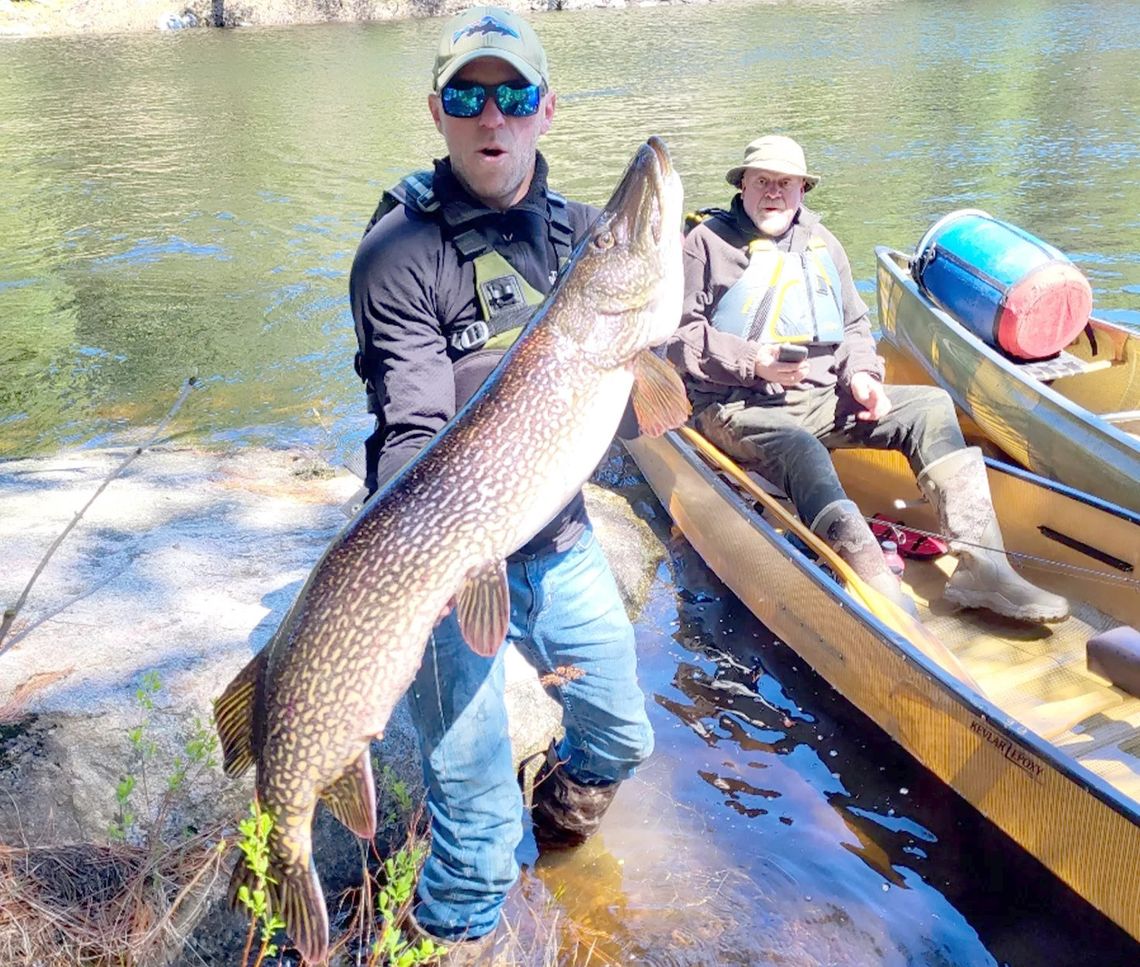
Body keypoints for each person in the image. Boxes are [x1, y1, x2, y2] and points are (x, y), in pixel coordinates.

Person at [348, 7, 653, 961]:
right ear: (437, 111)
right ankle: (450, 933)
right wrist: (421, 567)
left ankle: (559, 844)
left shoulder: (585, 237)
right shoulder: (399, 250)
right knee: (476, 840)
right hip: (440, 562)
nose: (493, 115)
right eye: (469, 96)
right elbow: (409, 435)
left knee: (623, 737)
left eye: (513, 94)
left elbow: (642, 409)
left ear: (545, 110)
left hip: (556, 539)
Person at [667, 134, 1068, 623]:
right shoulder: (704, 245)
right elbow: (676, 338)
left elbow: (855, 327)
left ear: (802, 190)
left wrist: (862, 376)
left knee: (930, 408)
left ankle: (984, 571)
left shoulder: (822, 243)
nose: (773, 192)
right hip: (734, 407)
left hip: (819, 397)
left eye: (785, 184)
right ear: (743, 185)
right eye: (762, 181)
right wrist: (755, 361)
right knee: (801, 448)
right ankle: (868, 579)